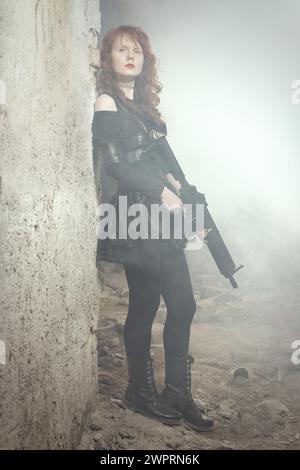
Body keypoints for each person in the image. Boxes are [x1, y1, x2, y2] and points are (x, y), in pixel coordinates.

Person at [92, 25, 214, 433]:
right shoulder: (107, 103)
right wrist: (160, 191)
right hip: (134, 217)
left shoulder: (146, 110)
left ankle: (177, 391)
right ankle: (140, 392)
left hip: (162, 218)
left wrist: (179, 186)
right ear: (108, 58)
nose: (130, 56)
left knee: (181, 305)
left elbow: (156, 161)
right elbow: (115, 166)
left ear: (145, 62)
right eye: (121, 50)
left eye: (137, 52)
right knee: (148, 306)